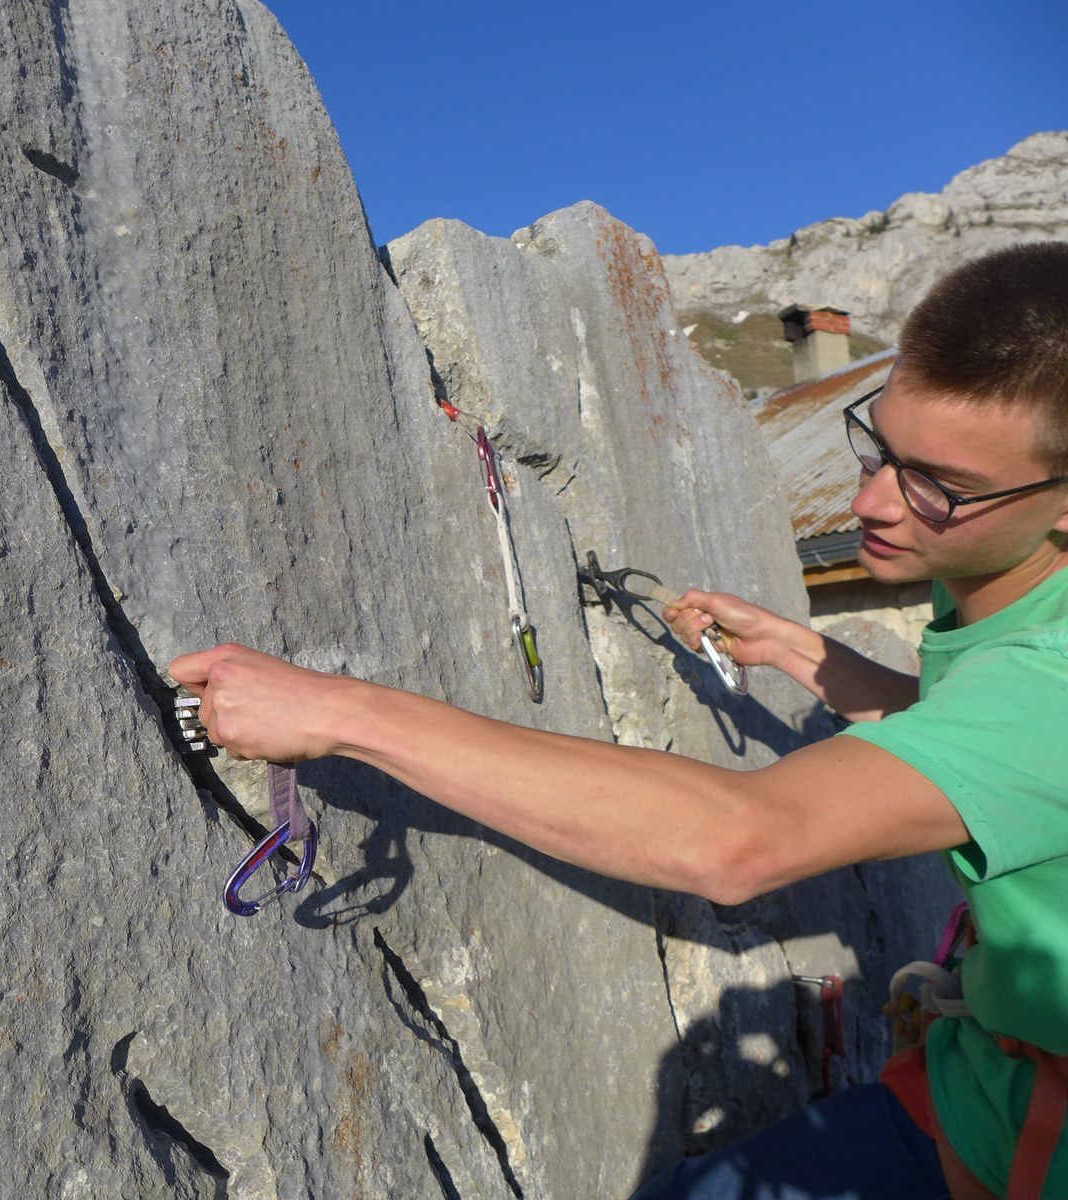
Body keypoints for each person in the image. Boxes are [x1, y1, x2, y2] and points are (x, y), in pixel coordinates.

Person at [170, 242, 1068, 1200]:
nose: (871, 500)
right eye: (878, 445)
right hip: (973, 1086)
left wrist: (340, 712)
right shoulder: (1008, 591)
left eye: (940, 486)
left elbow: (741, 840)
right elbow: (988, 746)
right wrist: (807, 653)